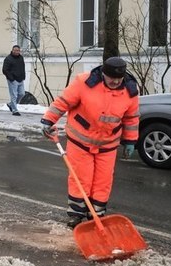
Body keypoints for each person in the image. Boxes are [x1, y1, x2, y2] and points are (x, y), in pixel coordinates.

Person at [40, 56, 139, 228]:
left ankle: (96, 214)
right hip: (80, 139)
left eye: (119, 79)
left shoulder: (130, 91)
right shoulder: (84, 82)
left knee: (103, 180)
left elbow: (131, 118)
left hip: (108, 144)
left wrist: (130, 141)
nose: (115, 82)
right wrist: (49, 120)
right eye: (111, 78)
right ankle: (76, 214)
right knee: (81, 177)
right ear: (103, 74)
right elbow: (63, 102)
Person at [2, 45, 26, 116]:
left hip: (20, 79)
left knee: (22, 93)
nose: (16, 52)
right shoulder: (8, 59)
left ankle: (11, 104)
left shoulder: (21, 58)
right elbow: (5, 70)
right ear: (12, 50)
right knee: (14, 95)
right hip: (13, 80)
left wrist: (23, 76)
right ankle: (15, 110)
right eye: (15, 50)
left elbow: (22, 67)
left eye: (18, 50)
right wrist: (11, 78)